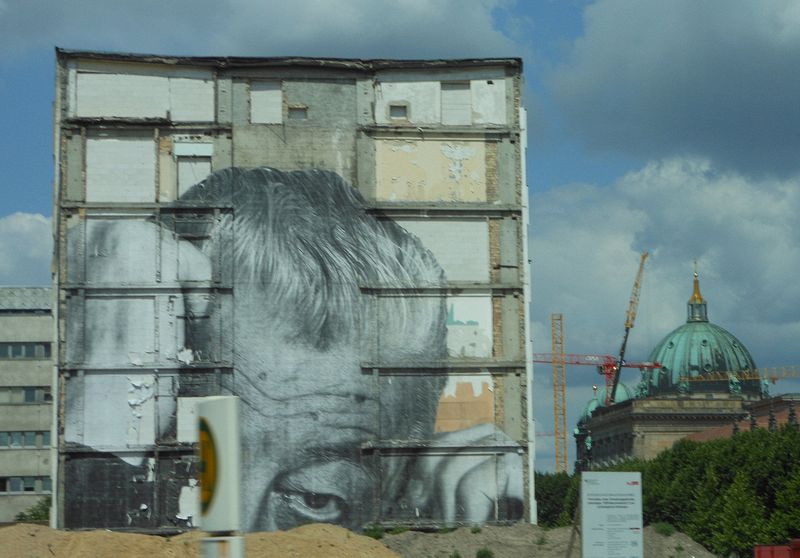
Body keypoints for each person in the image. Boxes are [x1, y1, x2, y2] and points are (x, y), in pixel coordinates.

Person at [66, 166, 522, 530]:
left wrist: (475, 529)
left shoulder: (423, 503)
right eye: (194, 468)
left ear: (406, 479)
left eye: (315, 499)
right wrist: (106, 416)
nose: (230, 539)